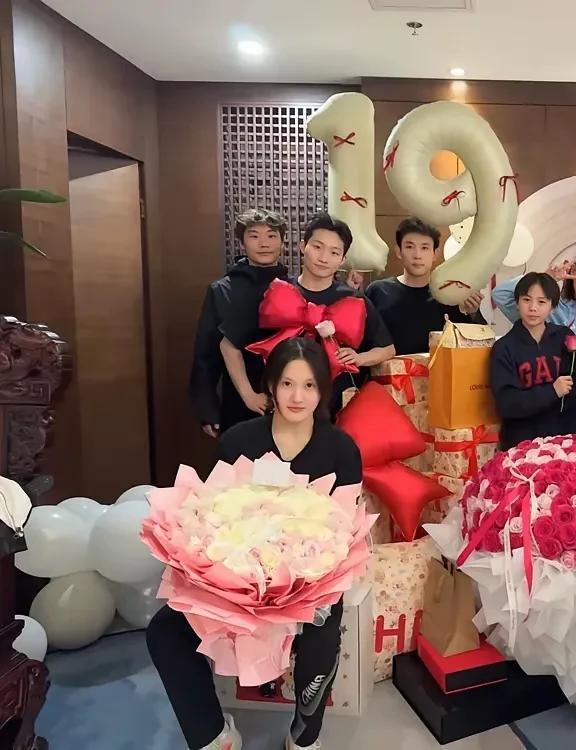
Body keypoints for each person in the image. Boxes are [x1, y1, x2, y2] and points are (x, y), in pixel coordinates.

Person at [148, 337, 362, 750]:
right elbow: (211, 512)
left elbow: (346, 528)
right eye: (287, 384)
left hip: (306, 583)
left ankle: (304, 737)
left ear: (322, 390)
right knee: (164, 632)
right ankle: (213, 735)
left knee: (322, 630)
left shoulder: (341, 449)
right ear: (271, 386)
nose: (297, 397)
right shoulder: (238, 441)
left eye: (309, 385)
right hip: (237, 580)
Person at [492, 247, 576, 437]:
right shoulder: (555, 306)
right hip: (551, 415)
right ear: (573, 270)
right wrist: (546, 278)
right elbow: (501, 294)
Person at [279, 212, 395, 415]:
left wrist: (360, 358)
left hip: (339, 408)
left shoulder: (354, 300)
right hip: (286, 405)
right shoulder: (281, 292)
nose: (324, 258)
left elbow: (387, 349)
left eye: (334, 252)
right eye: (317, 247)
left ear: (342, 259)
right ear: (302, 246)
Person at [190, 208, 288, 436]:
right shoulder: (222, 290)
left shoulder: (293, 286)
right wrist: (208, 410)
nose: (264, 243)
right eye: (254, 236)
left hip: (289, 397)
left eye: (271, 235)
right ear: (242, 242)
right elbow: (205, 355)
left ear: (282, 241)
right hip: (238, 399)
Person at [490, 272, 576, 450]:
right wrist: (552, 392)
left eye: (541, 302)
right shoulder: (504, 347)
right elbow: (507, 403)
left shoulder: (565, 337)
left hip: (565, 437)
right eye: (526, 300)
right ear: (517, 302)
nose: (533, 308)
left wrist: (554, 404)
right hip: (522, 442)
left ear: (553, 307)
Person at [364, 217, 485, 355]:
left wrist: (473, 313)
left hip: (439, 368)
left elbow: (477, 343)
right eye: (409, 247)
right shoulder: (378, 291)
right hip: (391, 368)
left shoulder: (449, 295)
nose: (417, 255)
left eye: (424, 248)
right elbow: (361, 340)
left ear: (435, 254)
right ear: (398, 251)